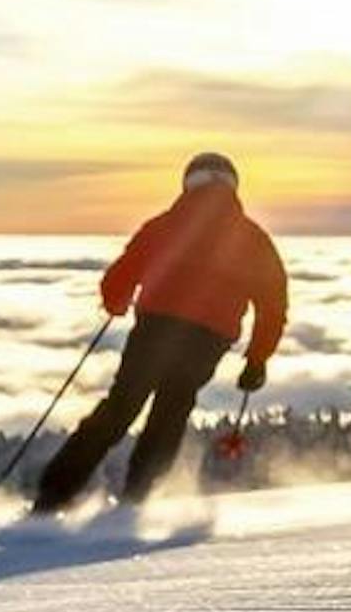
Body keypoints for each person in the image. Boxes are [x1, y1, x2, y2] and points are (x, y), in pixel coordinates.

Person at [29, 151, 289, 514]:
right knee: (173, 408)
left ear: (189, 183)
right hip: (208, 338)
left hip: (156, 327)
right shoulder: (253, 238)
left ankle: (53, 496)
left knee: (121, 406)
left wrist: (116, 300)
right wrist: (257, 359)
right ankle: (138, 497)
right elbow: (273, 303)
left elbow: (121, 273)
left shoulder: (163, 225)